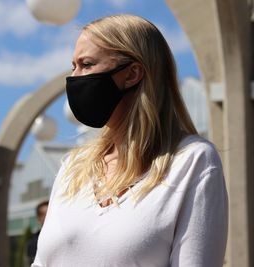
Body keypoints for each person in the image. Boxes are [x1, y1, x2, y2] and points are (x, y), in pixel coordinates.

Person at [32, 14, 228, 267]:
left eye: (87, 64)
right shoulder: (74, 166)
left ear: (132, 73)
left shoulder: (191, 161)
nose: (75, 77)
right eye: (74, 66)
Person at [27, 200, 49, 265]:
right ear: (39, 219)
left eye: (50, 213)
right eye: (45, 214)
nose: (48, 216)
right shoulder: (33, 243)